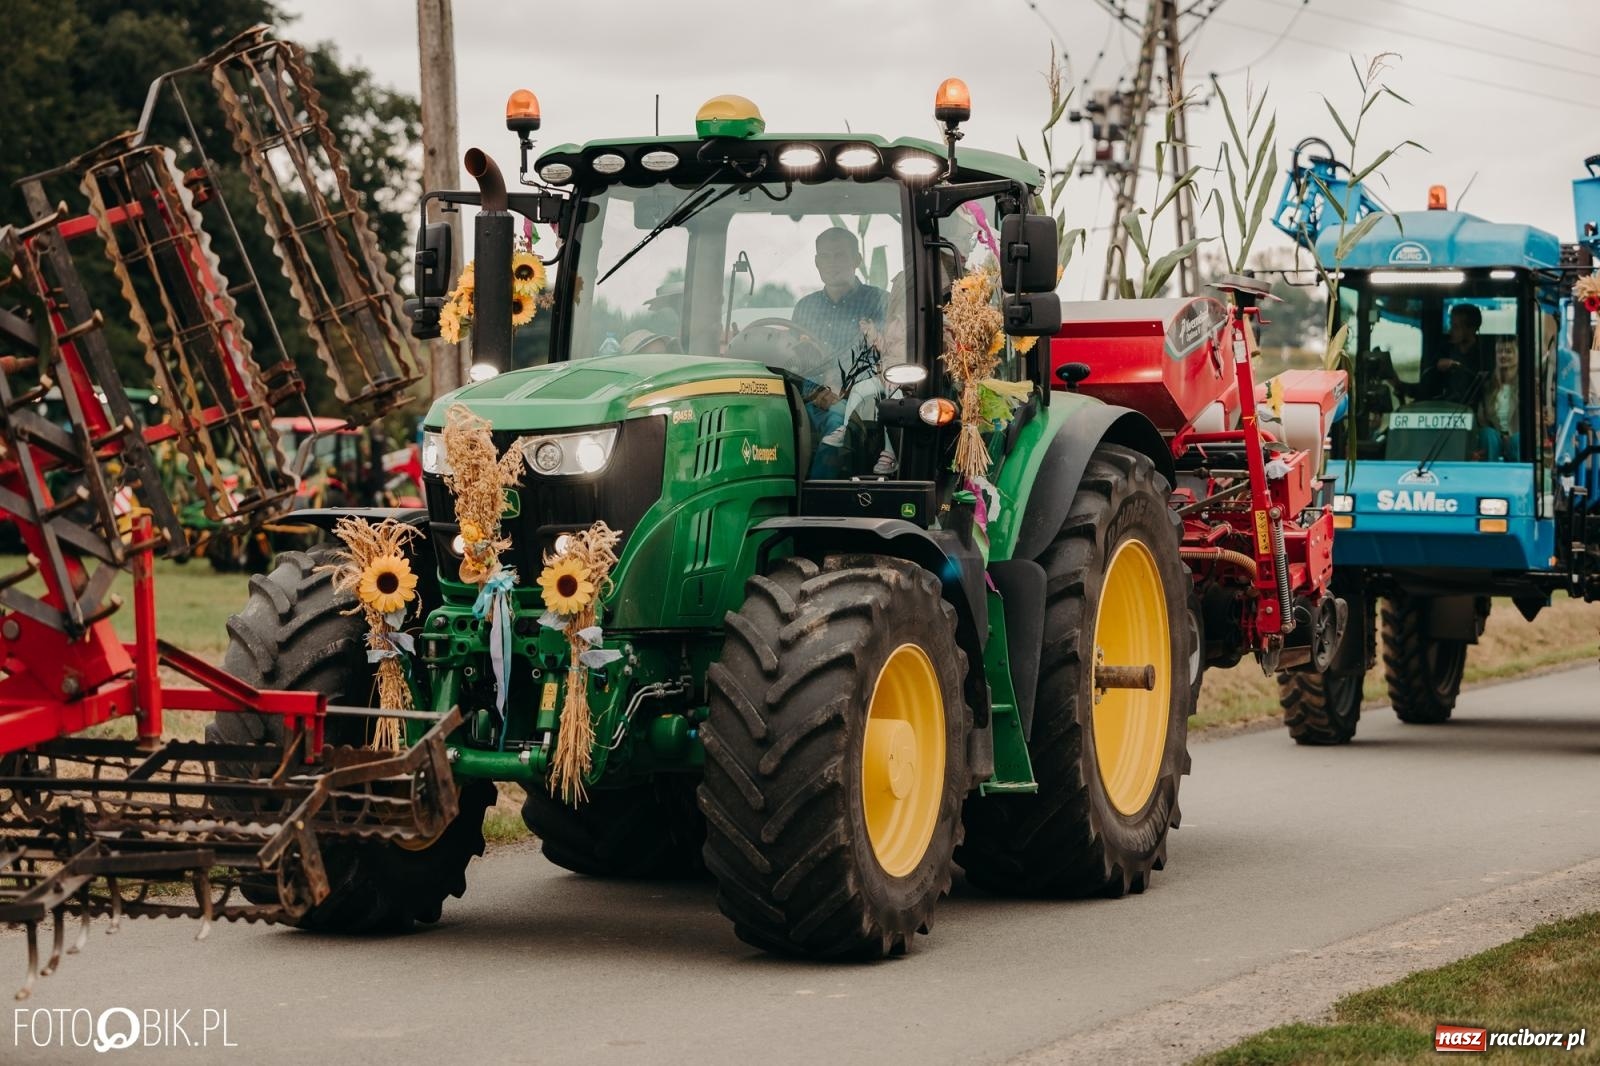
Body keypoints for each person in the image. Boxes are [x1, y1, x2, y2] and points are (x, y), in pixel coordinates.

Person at [791, 228, 889, 377]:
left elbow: (891, 356)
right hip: (808, 395)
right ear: (817, 262)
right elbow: (793, 359)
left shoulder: (881, 302)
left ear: (857, 260)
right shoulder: (804, 308)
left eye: (840, 256)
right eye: (825, 256)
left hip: (865, 395)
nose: (832, 263)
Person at [1418, 303, 1487, 403]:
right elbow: (1426, 387)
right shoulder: (1444, 351)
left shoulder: (1484, 356)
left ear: (1472, 329)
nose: (1450, 331)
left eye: (1456, 327)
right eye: (1451, 325)